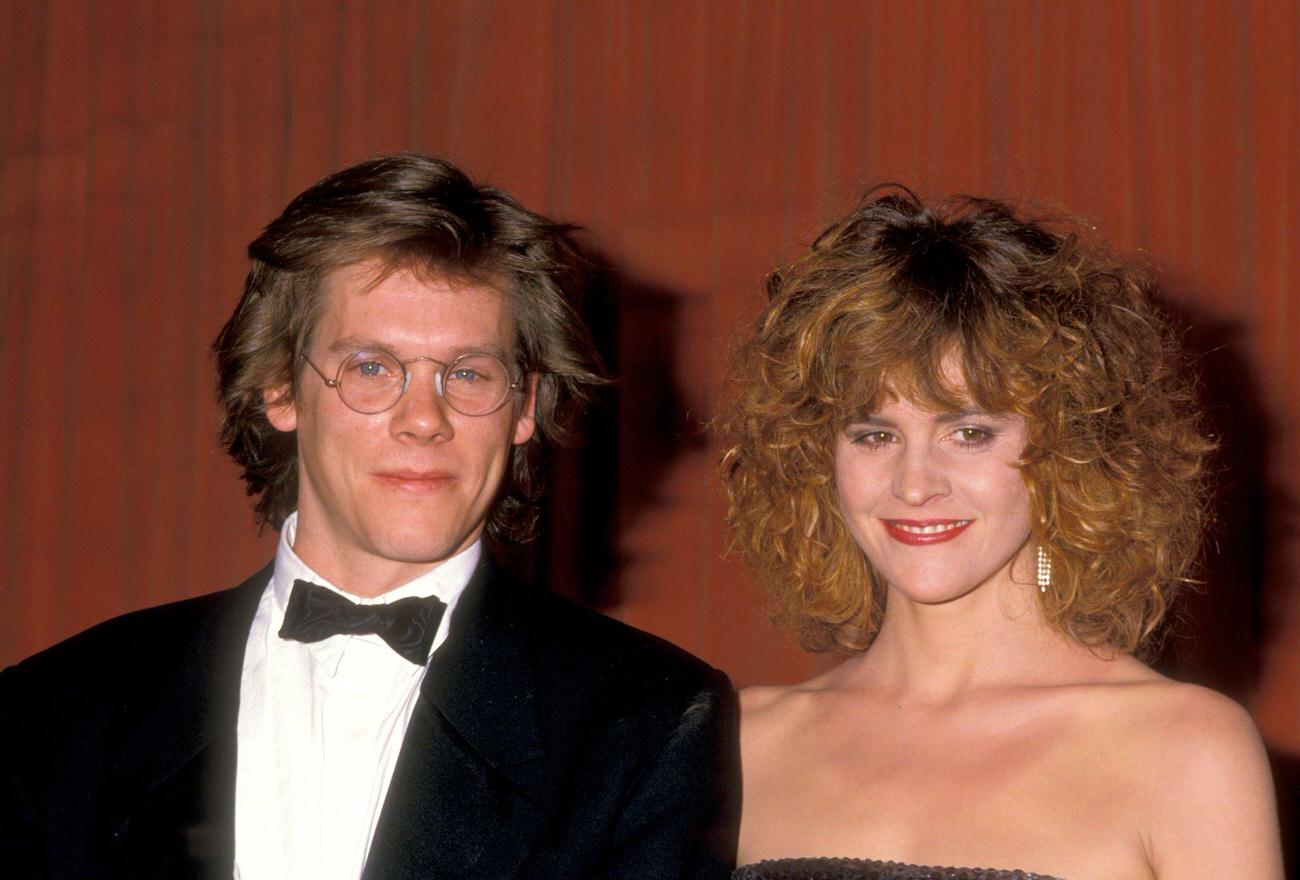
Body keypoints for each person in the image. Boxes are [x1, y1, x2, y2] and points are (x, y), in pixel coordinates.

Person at [0, 154, 740, 879]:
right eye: (372, 368)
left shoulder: (645, 720)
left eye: (468, 373)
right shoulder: (54, 712)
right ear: (279, 388)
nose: (424, 420)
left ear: (524, 408)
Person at [718, 189, 1283, 879]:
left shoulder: (1187, 748)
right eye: (874, 435)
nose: (914, 484)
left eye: (969, 433)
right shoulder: (743, 744)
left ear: (1072, 447)